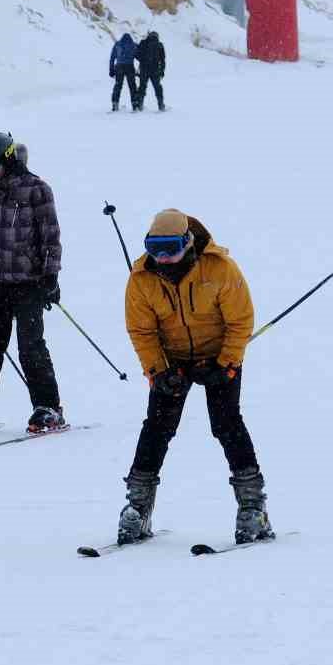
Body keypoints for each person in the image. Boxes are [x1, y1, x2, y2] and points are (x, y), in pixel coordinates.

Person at [118, 209, 271, 547]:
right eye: (154, 248)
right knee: (157, 428)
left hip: (218, 356)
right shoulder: (141, 278)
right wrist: (159, 371)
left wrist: (226, 364)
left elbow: (240, 320)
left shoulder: (220, 269)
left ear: (187, 244)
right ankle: (137, 506)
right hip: (171, 360)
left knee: (227, 424)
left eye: (170, 248)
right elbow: (141, 330)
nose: (163, 258)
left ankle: (253, 507)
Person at [0, 131, 64, 434]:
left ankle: (47, 408)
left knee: (31, 347)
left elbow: (51, 238)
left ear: (8, 157)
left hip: (29, 283)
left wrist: (51, 276)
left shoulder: (37, 190)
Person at [133, 31, 166, 112]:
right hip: (155, 70)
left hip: (144, 69)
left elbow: (136, 55)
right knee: (157, 87)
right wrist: (162, 71)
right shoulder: (159, 45)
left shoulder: (143, 43)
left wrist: (142, 60)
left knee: (142, 87)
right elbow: (163, 60)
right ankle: (161, 105)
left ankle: (140, 105)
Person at [109, 33, 137, 112]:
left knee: (118, 85)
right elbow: (139, 55)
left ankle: (115, 103)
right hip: (130, 67)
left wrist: (111, 70)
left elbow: (112, 58)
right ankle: (135, 103)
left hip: (119, 67)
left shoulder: (117, 44)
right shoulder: (133, 45)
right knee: (132, 86)